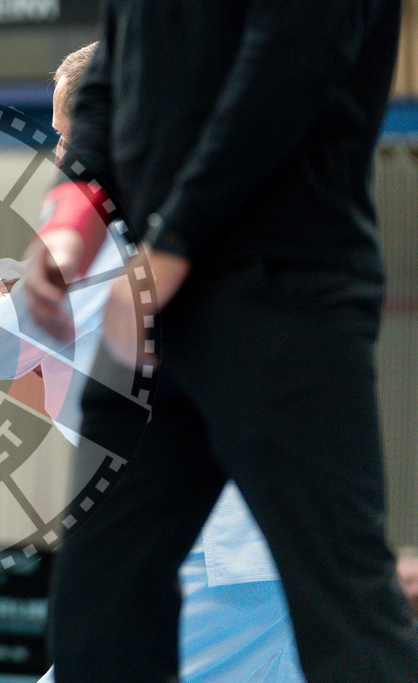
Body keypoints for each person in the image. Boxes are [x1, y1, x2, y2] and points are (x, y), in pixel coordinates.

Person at [25, 1, 418, 680]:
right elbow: (110, 75)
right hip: (154, 314)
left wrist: (177, 240)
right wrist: (73, 213)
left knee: (343, 610)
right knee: (98, 607)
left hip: (282, 293)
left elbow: (292, 61)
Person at [0, 44, 304, 682]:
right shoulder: (219, 206)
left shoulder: (118, 236)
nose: (64, 160)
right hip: (263, 538)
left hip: (210, 547)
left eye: (70, 138)